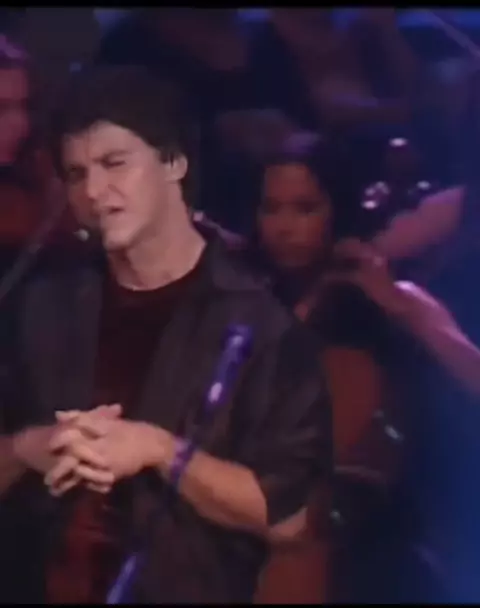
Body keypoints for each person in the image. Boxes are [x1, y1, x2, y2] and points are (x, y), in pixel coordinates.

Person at [0, 65, 330, 603]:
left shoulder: (262, 327)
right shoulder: (40, 306)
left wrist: (160, 451)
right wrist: (26, 447)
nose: (94, 191)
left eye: (114, 164)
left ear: (174, 162)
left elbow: (290, 519)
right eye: (77, 173)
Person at [246, 141, 480, 602]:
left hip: (372, 546)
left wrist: (403, 311)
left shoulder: (395, 299)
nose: (284, 227)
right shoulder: (247, 302)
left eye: (305, 209)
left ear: (339, 209)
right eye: (271, 209)